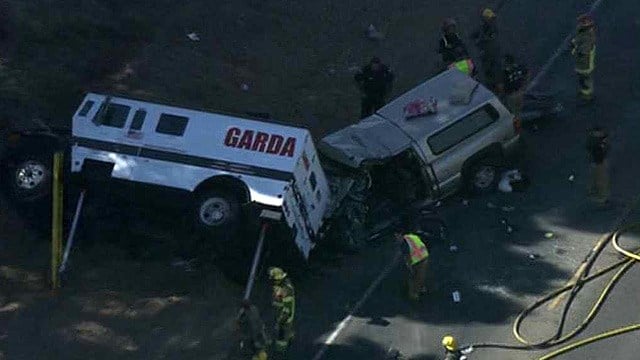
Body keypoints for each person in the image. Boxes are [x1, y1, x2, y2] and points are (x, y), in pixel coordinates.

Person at [472, 8, 502, 93]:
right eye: (490, 19)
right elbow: (474, 37)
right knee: (490, 72)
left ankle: (497, 88)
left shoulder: (493, 27)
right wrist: (481, 42)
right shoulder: (482, 29)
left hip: (494, 53)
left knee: (496, 71)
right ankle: (492, 90)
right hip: (487, 55)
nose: (492, 20)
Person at [395, 228, 430, 301]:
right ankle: (421, 288)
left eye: (397, 236)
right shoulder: (411, 236)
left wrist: (410, 268)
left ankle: (414, 294)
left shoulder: (404, 244)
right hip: (424, 255)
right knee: (421, 275)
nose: (396, 239)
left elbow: (408, 258)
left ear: (400, 235)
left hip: (417, 260)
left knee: (413, 278)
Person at [268, 267, 295, 353]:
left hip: (284, 315)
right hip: (278, 311)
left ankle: (280, 349)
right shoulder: (279, 286)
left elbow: (288, 307)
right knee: (285, 329)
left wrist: (282, 319)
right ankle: (290, 336)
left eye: (274, 279)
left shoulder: (286, 289)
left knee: (281, 333)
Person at [571, 13, 596, 102]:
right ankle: (584, 92)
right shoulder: (583, 31)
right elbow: (578, 39)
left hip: (585, 62)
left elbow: (584, 51)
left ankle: (587, 96)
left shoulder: (588, 36)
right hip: (581, 62)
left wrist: (575, 49)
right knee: (582, 78)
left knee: (585, 79)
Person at [586, 126, 610, 206]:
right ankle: (599, 195)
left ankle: (601, 197)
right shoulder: (596, 141)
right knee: (598, 178)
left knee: (600, 178)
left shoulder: (600, 141)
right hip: (597, 161)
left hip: (599, 161)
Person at [502, 54, 529, 120]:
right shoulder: (518, 68)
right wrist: (524, 85)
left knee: (514, 113)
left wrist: (503, 93)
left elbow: (501, 85)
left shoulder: (504, 73)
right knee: (520, 109)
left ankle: (518, 125)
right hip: (520, 91)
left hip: (511, 95)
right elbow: (527, 73)